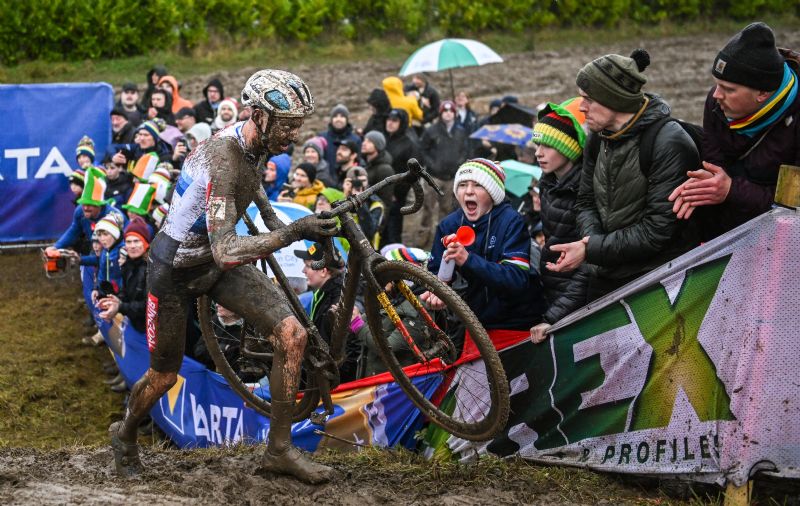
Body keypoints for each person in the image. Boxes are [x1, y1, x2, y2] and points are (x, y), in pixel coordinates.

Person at [108, 69, 338, 484]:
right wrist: (291, 232)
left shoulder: (255, 140)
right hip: (174, 272)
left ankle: (280, 450)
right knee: (164, 375)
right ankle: (124, 434)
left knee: (292, 334)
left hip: (214, 263)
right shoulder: (223, 159)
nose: (293, 136)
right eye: (287, 126)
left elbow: (255, 191)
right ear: (260, 116)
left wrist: (291, 226)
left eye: (298, 126)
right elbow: (227, 249)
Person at [547, 49, 699, 301]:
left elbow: (657, 230)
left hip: (655, 284)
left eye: (588, 99)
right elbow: (585, 201)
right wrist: (592, 245)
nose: (581, 107)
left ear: (613, 99)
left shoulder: (668, 142)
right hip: (604, 275)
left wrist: (588, 248)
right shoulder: (598, 137)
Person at [668, 22, 800, 238]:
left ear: (763, 94)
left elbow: (793, 206)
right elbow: (714, 165)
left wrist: (731, 189)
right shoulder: (715, 102)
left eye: (729, 89)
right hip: (733, 224)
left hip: (784, 238)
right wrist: (704, 185)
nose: (716, 94)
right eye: (717, 84)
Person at [424, 159, 545, 339]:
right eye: (463, 185)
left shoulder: (511, 221)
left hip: (518, 323)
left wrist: (468, 260)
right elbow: (434, 276)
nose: (469, 191)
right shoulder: (449, 225)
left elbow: (517, 279)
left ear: (493, 193)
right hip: (476, 324)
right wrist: (436, 292)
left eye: (478, 185)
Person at [528, 99, 590, 342]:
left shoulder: (585, 189)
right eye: (537, 144)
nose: (537, 152)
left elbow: (590, 265)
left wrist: (554, 316)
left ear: (568, 147)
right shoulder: (549, 182)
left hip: (579, 302)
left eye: (547, 145)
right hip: (554, 289)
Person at [352, 246, 430, 377]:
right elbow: (368, 321)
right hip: (376, 379)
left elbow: (390, 347)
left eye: (386, 273)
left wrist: (356, 324)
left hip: (396, 385)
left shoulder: (417, 307)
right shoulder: (393, 298)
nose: (382, 279)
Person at [418, 100, 469, 247]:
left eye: (450, 111)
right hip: (433, 177)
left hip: (451, 178)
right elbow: (423, 149)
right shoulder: (432, 130)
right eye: (444, 111)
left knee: (447, 209)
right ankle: (423, 238)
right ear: (440, 114)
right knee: (428, 208)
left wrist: (459, 163)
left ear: (454, 113)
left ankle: (443, 238)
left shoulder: (460, 131)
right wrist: (431, 164)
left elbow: (465, 149)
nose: (447, 113)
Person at [97, 217, 151, 333]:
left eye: (136, 241)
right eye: (128, 241)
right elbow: (125, 292)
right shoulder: (127, 265)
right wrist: (115, 300)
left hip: (152, 331)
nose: (132, 246)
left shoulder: (152, 269)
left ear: (146, 243)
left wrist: (120, 307)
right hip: (136, 325)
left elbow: (148, 306)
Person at [383, 108, 422, 245]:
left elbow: (412, 173)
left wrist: (397, 193)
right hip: (382, 192)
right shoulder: (385, 139)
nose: (390, 123)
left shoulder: (409, 143)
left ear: (402, 123)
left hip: (396, 196)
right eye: (388, 119)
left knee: (393, 233)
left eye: (394, 120)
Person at [320, 104, 361, 171]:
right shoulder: (322, 137)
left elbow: (358, 162)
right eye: (335, 116)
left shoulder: (356, 139)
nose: (338, 119)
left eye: (342, 116)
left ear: (347, 119)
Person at [361, 131, 395, 207]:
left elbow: (385, 201)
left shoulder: (385, 170)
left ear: (378, 146)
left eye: (369, 141)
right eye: (364, 140)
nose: (364, 143)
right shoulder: (366, 165)